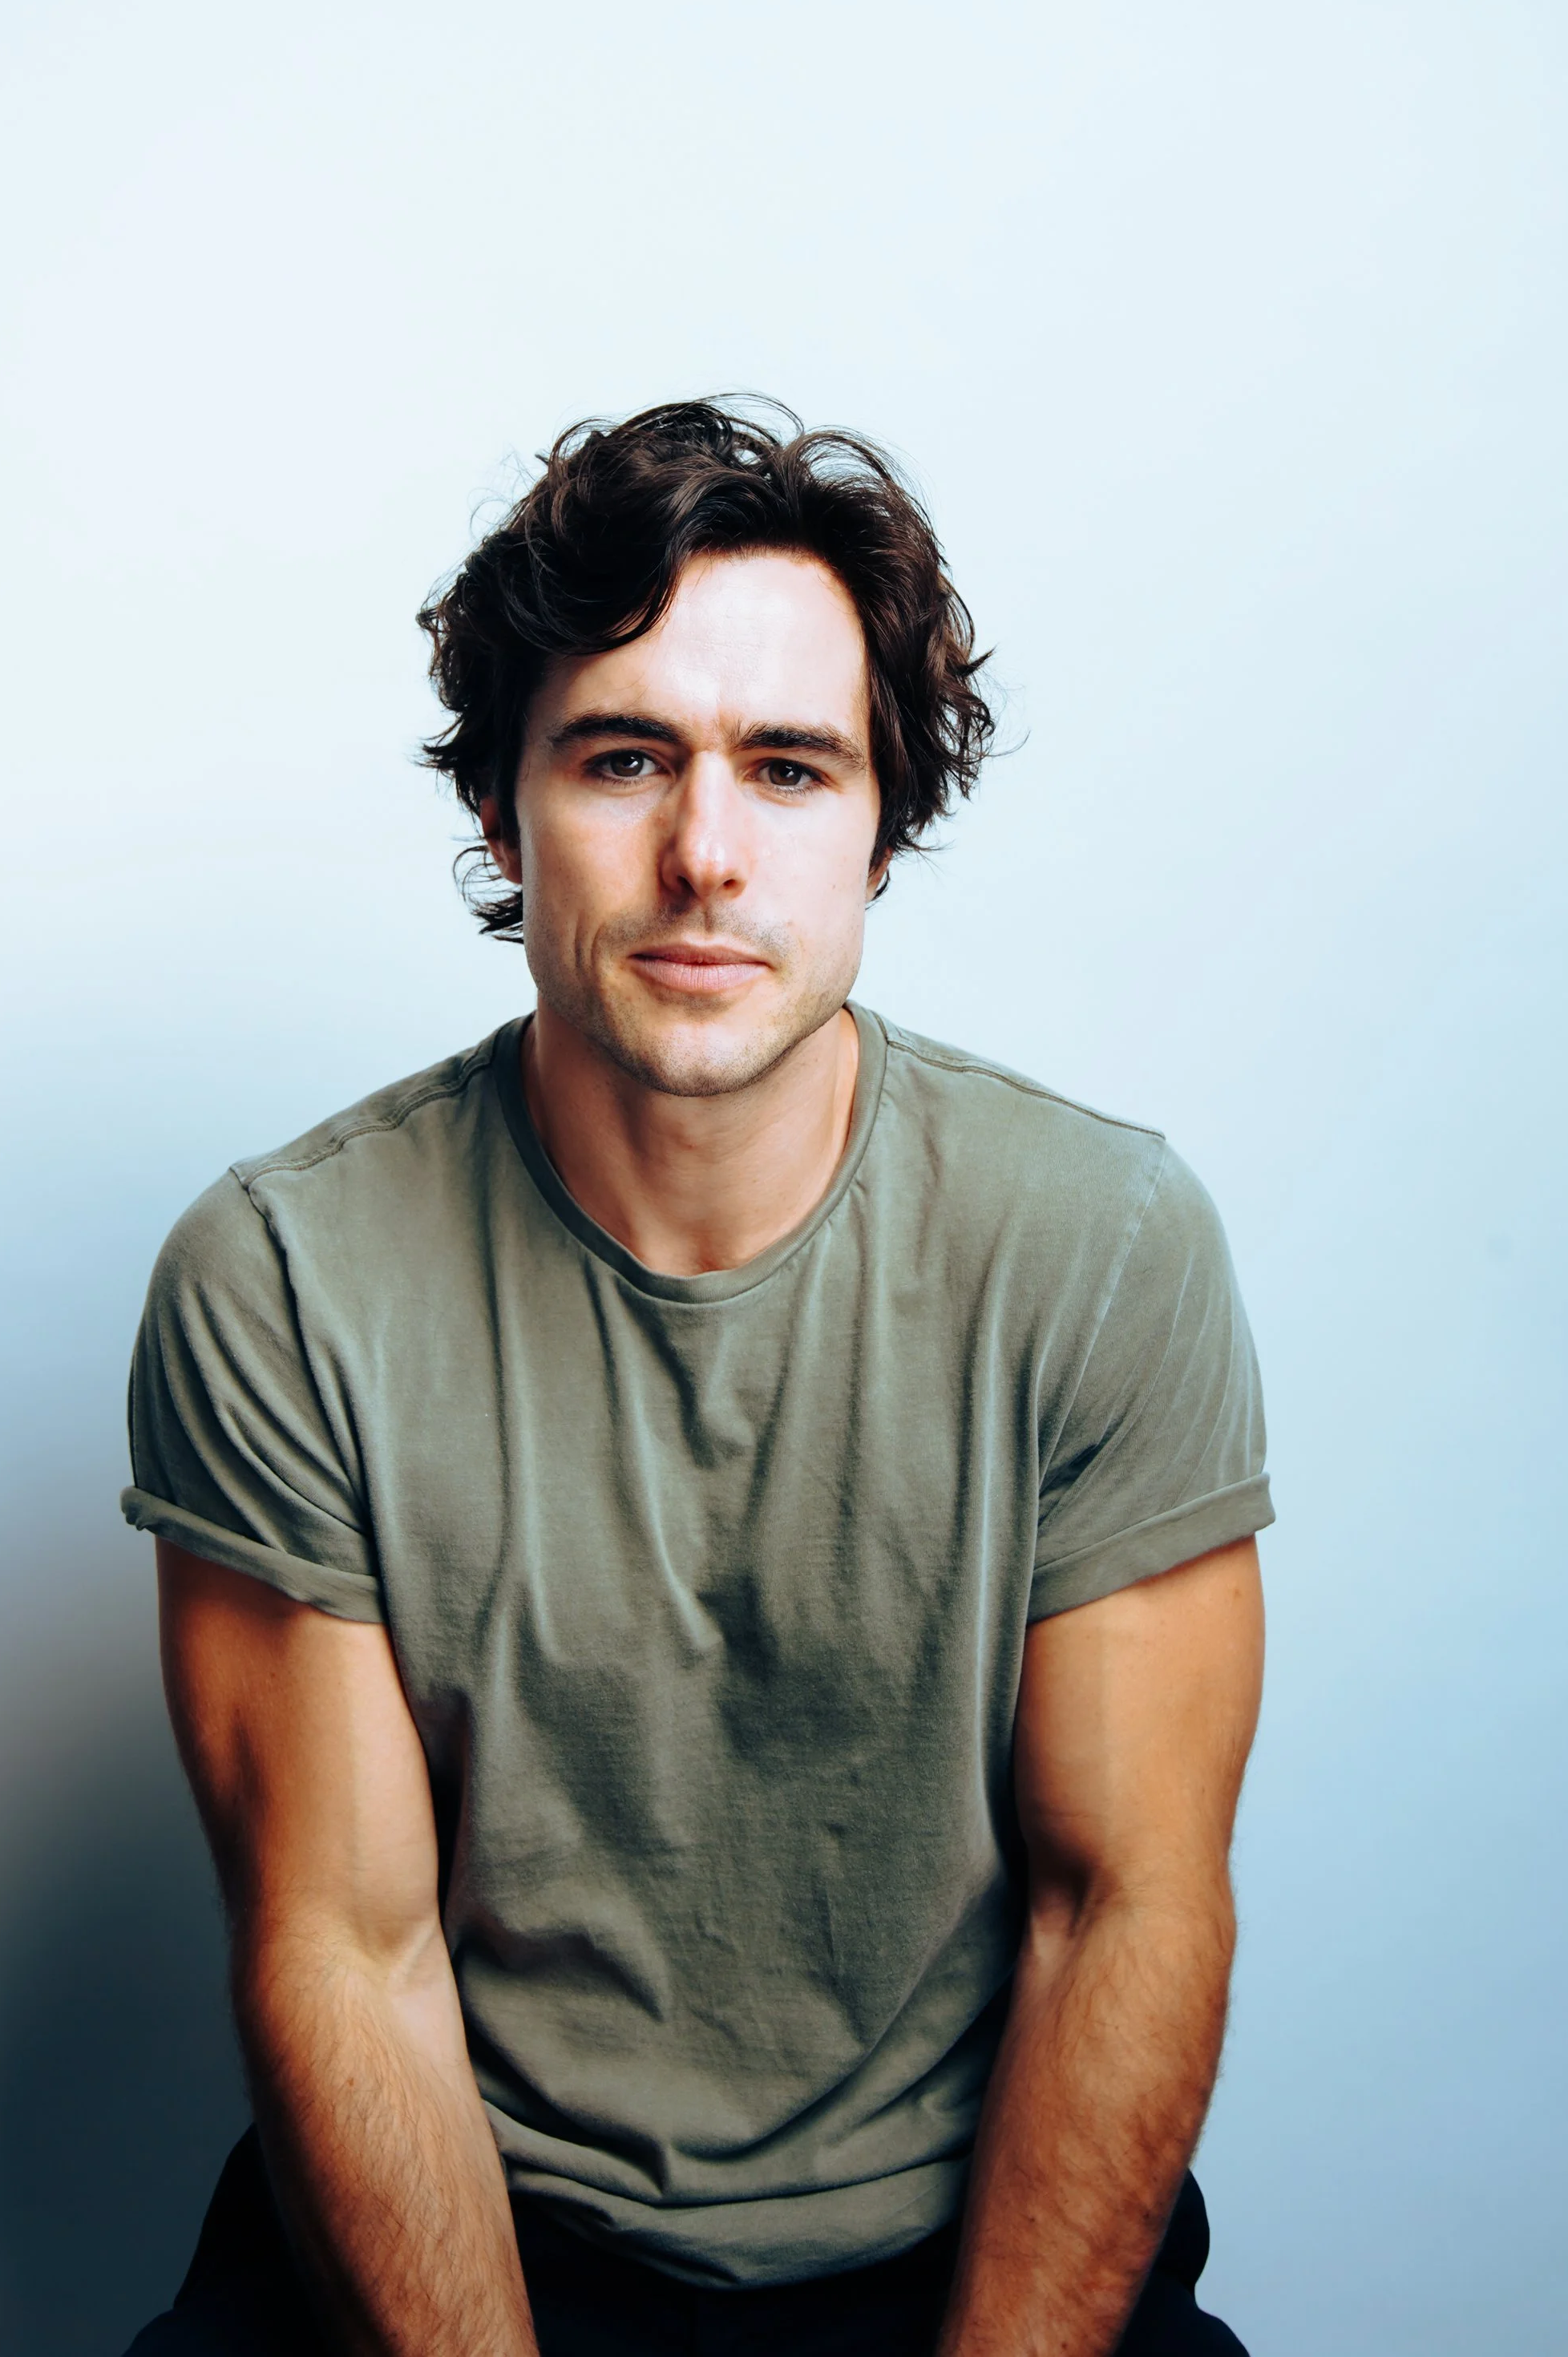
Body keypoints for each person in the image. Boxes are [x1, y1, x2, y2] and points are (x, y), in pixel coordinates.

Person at [120, 399, 1271, 2357]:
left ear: (881, 827)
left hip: (957, 2234)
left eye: (790, 768)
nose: (704, 853)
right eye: (621, 756)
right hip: (471, 2219)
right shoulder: (286, 1279)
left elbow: (1124, 1911)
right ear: (501, 809)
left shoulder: (1099, 1246)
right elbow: (349, 1949)